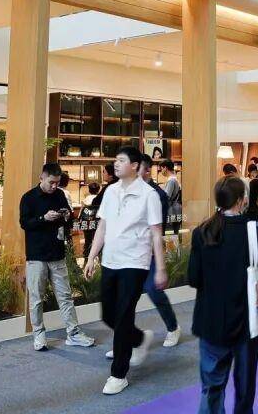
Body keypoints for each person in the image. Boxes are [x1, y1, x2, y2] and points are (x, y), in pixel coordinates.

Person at [189, 176, 258, 414]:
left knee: (211, 384)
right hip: (247, 320)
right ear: (241, 200)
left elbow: (194, 278)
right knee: (245, 384)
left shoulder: (202, 231)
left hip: (211, 318)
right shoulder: (256, 231)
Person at [83, 146, 166, 396]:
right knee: (108, 314)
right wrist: (91, 257)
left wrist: (160, 268)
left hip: (135, 262)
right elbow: (102, 227)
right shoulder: (110, 191)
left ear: (134, 165)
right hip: (111, 260)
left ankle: (118, 374)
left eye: (121, 160)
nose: (116, 164)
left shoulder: (149, 195)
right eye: (116, 160)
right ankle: (139, 339)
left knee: (123, 316)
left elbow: (156, 233)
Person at [20, 163, 96, 352]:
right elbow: (24, 223)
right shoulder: (29, 198)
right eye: (51, 182)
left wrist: (66, 215)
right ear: (42, 178)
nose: (54, 186)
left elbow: (69, 220)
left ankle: (74, 333)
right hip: (36, 255)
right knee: (36, 298)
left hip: (57, 253)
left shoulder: (60, 195)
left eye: (57, 183)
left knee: (65, 296)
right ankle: (39, 334)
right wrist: (43, 218)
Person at [136, 153, 180, 349]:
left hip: (150, 251)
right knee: (126, 297)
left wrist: (160, 265)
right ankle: (125, 339)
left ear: (146, 171)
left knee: (154, 291)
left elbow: (157, 230)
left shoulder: (157, 195)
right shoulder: (128, 190)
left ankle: (173, 327)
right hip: (131, 252)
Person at [160, 160, 182, 234]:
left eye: (161, 169)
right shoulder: (174, 179)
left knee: (171, 234)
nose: (161, 171)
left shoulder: (171, 181)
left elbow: (166, 196)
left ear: (165, 168)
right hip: (176, 209)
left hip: (172, 210)